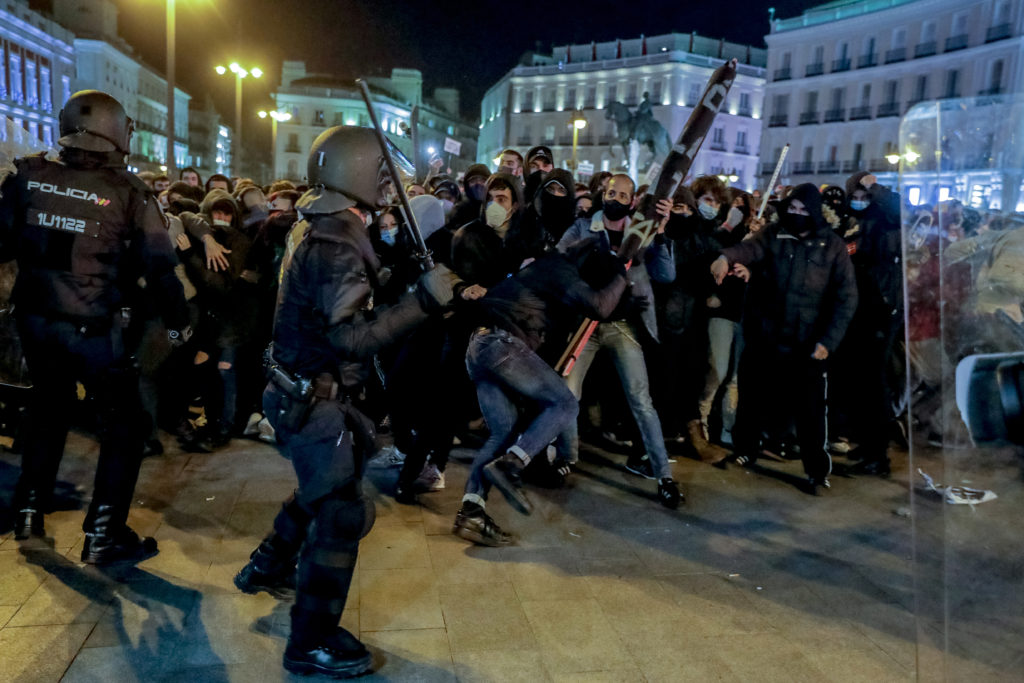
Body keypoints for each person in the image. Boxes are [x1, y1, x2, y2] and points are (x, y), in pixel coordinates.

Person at [232, 126, 457, 678]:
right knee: (340, 512)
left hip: (302, 392)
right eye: (381, 174)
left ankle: (266, 566)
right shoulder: (335, 243)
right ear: (355, 174)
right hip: (314, 399)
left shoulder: (324, 224)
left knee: (320, 490)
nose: (390, 184)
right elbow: (349, 337)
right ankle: (310, 641)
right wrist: (423, 303)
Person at [0, 90, 191, 562]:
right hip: (91, 326)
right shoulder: (129, 192)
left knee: (48, 408)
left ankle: (27, 510)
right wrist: (178, 326)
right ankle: (104, 532)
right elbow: (161, 268)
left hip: (34, 320)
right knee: (126, 425)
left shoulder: (26, 176)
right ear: (117, 132)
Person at [454, 238, 631, 545]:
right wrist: (621, 276)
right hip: (500, 344)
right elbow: (599, 305)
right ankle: (513, 464)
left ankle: (471, 513)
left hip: (480, 347)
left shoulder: (546, 269)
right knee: (565, 404)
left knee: (502, 433)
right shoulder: (561, 270)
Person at [711, 183, 858, 495]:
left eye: (804, 210)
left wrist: (828, 341)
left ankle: (817, 471)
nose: (797, 215)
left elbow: (846, 298)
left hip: (807, 343)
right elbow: (747, 249)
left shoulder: (831, 246)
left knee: (811, 410)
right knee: (750, 398)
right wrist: (725, 257)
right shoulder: (773, 235)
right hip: (766, 334)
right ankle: (744, 450)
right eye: (792, 208)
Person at [553, 174, 682, 508]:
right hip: (586, 323)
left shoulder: (640, 231)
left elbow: (666, 274)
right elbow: (558, 261)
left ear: (632, 201)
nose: (616, 198)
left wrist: (661, 232)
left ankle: (664, 475)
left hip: (623, 325)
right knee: (568, 392)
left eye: (623, 195)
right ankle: (566, 458)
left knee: (640, 399)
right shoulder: (583, 227)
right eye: (611, 192)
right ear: (603, 194)